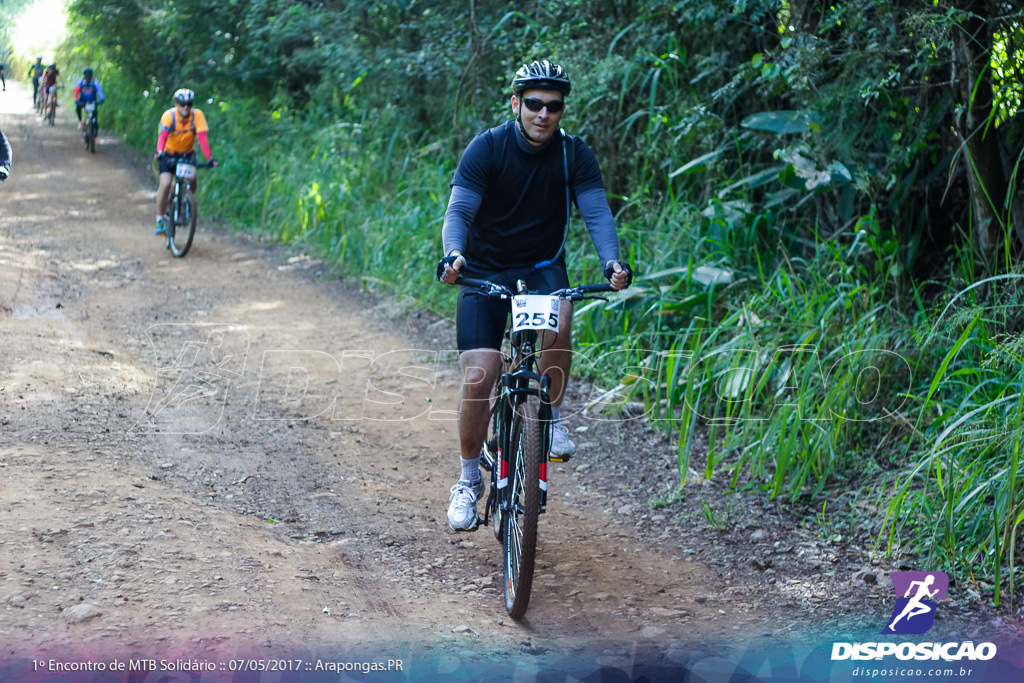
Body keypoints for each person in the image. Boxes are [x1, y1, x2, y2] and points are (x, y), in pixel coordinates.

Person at [437, 59, 632, 531]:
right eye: (534, 104)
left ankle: (553, 418)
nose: (543, 114)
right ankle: (467, 479)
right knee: (481, 373)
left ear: (563, 109)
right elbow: (460, 208)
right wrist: (454, 254)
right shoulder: (488, 148)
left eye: (554, 106)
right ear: (516, 103)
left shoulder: (573, 155)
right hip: (484, 269)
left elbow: (596, 214)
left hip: (543, 267)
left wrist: (613, 261)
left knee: (560, 320)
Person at [152, 88, 218, 235]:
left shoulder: (197, 116)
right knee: (166, 183)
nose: (186, 107)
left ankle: (187, 199)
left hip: (187, 154)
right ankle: (159, 219)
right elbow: (162, 136)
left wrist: (209, 158)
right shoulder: (169, 116)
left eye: (189, 104)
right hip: (168, 154)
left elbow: (202, 138)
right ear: (176, 104)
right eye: (182, 104)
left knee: (192, 178)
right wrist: (160, 152)